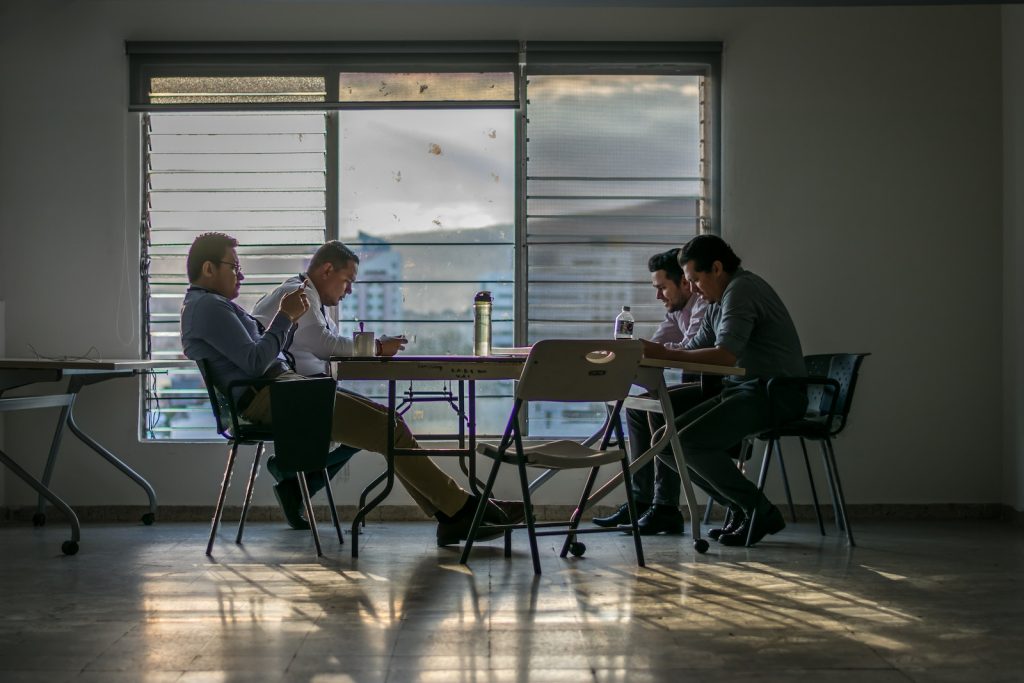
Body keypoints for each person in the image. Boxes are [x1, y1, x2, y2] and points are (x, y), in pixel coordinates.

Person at [180, 232, 522, 547]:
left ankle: (453, 513)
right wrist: (284, 319)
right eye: (234, 267)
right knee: (388, 429)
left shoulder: (211, 306)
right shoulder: (208, 307)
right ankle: (460, 510)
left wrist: (282, 331)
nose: (241, 275)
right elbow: (256, 362)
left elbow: (260, 355)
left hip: (284, 392)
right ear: (208, 268)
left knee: (390, 424)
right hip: (275, 397)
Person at [641, 234, 807, 546]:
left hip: (776, 393)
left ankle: (758, 510)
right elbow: (693, 348)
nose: (693, 289)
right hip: (744, 390)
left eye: (695, 279)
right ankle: (743, 509)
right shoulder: (716, 301)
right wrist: (652, 351)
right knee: (664, 445)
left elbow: (725, 354)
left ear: (716, 268)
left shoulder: (741, 290)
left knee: (687, 443)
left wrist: (663, 353)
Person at [250, 241, 403, 529]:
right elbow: (325, 346)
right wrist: (379, 348)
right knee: (381, 424)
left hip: (301, 390)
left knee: (379, 422)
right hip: (293, 395)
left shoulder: (305, 296)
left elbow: (324, 346)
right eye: (347, 281)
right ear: (327, 269)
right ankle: (293, 481)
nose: (349, 290)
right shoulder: (299, 295)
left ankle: (294, 482)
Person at [592, 248, 710, 535]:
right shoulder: (676, 313)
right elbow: (655, 348)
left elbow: (690, 348)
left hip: (716, 389)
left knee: (660, 407)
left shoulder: (703, 306)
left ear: (683, 282)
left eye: (662, 288)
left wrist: (656, 349)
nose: (658, 296)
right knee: (636, 407)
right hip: (696, 384)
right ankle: (641, 501)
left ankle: (665, 506)